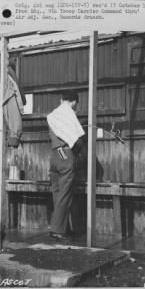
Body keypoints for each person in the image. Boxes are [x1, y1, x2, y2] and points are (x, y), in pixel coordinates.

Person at [46, 90, 86, 241]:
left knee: (57, 193)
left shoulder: (52, 115)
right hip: (65, 155)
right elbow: (77, 139)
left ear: (61, 99)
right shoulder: (68, 113)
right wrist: (81, 154)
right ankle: (57, 229)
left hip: (54, 155)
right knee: (65, 194)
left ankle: (63, 228)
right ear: (74, 102)